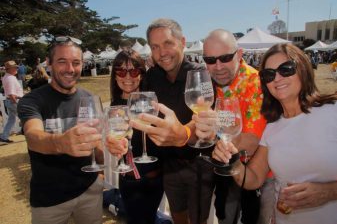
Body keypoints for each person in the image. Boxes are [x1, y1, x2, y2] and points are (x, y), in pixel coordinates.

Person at [212, 43, 337, 224]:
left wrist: (329, 192)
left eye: (286, 69)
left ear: (302, 68)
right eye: (269, 75)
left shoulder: (332, 112)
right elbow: (254, 178)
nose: (277, 78)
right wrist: (233, 163)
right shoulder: (272, 127)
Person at [130, 18, 214, 224]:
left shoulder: (199, 74)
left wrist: (183, 132)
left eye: (168, 43)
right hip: (169, 164)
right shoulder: (152, 76)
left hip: (199, 163)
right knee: (178, 216)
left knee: (198, 220)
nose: (162, 52)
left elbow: (206, 114)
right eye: (155, 47)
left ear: (182, 42)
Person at [17, 36, 104, 224]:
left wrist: (112, 151)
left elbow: (98, 148)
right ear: (48, 63)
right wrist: (61, 143)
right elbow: (33, 137)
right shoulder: (32, 100)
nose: (70, 69)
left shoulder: (90, 99)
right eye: (62, 62)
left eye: (76, 63)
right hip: (49, 200)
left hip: (89, 191)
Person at [196, 29, 267, 224]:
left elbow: (253, 141)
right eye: (210, 60)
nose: (218, 66)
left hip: (253, 173)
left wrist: (216, 138)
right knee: (224, 216)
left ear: (240, 54)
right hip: (222, 169)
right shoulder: (208, 83)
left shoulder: (257, 83)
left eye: (225, 58)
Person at [109, 49, 164, 224]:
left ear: (141, 73)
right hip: (126, 178)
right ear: (115, 75)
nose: (127, 77)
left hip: (151, 179)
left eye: (133, 71)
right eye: (121, 71)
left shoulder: (151, 100)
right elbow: (114, 139)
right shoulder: (115, 104)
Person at [0, 60, 23, 143]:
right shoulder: (10, 78)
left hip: (10, 101)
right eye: (15, 67)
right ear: (9, 69)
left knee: (11, 120)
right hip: (14, 101)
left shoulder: (7, 77)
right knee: (25, 117)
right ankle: (28, 132)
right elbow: (11, 94)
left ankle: (4, 136)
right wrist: (16, 103)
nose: (17, 69)